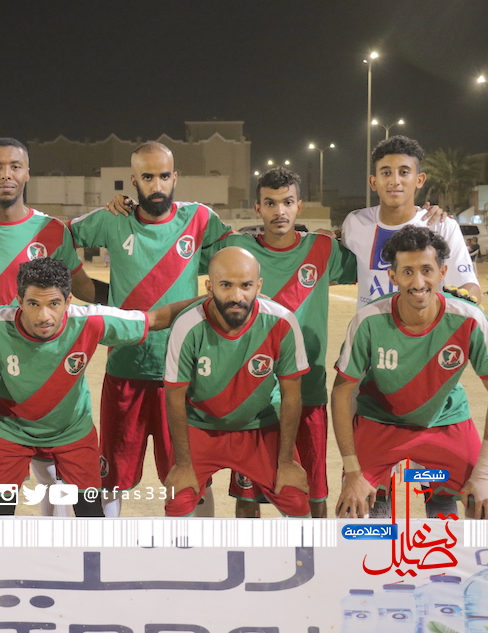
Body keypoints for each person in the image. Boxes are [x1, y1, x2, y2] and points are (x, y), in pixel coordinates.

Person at [0, 257, 197, 517]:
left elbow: (155, 319)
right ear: (19, 301)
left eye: (54, 304)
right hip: (12, 431)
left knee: (91, 513)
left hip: (73, 433)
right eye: (33, 304)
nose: (44, 316)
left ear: (68, 302)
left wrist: (211, 300)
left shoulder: (90, 320)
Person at [68, 141, 232, 517]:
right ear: (134, 181)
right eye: (147, 177)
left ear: (175, 177)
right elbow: (60, 237)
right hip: (126, 369)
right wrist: (96, 293)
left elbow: (235, 260)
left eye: (163, 176)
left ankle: (198, 549)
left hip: (183, 374)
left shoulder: (200, 219)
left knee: (192, 477)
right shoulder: (114, 218)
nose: (156, 185)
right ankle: (103, 550)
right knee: (109, 478)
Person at [0, 137, 97, 517]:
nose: (5, 174)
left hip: (41, 370)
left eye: (14, 166)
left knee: (51, 471)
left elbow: (85, 291)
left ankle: (52, 551)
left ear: (27, 173)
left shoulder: (52, 230)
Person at [200, 168, 356, 518]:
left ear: (299, 205)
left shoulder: (322, 248)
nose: (279, 211)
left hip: (308, 392)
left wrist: (428, 222)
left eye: (287, 202)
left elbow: (379, 261)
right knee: (248, 498)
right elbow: (180, 257)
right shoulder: (237, 249)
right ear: (258, 208)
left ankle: (314, 553)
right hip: (252, 398)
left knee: (314, 495)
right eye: (270, 203)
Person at [333, 226, 488, 519]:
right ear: (393, 276)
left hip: (445, 422)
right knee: (352, 511)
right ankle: (381, 505)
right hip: (380, 421)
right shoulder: (368, 321)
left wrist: (484, 473)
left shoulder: (468, 318)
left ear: (442, 272)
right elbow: (341, 393)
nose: (418, 282)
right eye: (407, 272)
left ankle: (442, 506)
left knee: (481, 505)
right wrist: (352, 472)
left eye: (427, 270)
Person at [163, 247, 311, 518]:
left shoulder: (282, 322)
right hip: (201, 428)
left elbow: (291, 395)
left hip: (260, 427)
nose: (236, 296)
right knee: (178, 503)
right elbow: (174, 397)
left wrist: (287, 461)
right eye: (226, 285)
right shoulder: (187, 325)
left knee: (296, 500)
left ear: (259, 286)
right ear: (209, 287)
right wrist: (183, 464)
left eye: (246, 286)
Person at [341, 136, 479, 311]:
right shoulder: (355, 223)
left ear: (419, 180)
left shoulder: (441, 226)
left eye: (404, 172)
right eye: (386, 173)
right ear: (373, 182)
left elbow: (468, 285)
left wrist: (464, 304)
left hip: (424, 328)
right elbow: (333, 270)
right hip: (371, 327)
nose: (395, 181)